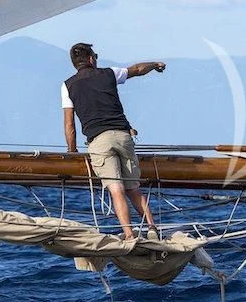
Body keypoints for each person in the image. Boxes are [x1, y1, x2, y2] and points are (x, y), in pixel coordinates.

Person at [61, 42, 167, 239]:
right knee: (133, 188)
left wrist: (72, 151)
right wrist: (155, 64)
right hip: (123, 136)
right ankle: (152, 228)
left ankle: (129, 234)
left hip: (99, 141)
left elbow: (70, 125)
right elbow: (137, 69)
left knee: (116, 189)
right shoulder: (109, 73)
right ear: (91, 59)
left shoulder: (68, 86)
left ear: (75, 63)